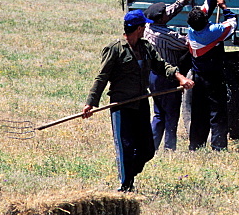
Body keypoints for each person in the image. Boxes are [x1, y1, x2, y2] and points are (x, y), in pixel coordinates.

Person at [82, 10, 194, 192]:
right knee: (126, 147)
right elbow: (102, 77)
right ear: (139, 28)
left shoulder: (146, 47)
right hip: (121, 106)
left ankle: (129, 174)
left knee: (147, 149)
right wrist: (91, 102)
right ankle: (125, 187)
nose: (146, 28)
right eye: (144, 26)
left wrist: (180, 77)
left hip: (141, 103)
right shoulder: (115, 49)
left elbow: (161, 65)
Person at [185, 0, 237, 151]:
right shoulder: (214, 31)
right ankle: (218, 147)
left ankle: (195, 145)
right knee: (217, 113)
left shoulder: (191, 29)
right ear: (205, 20)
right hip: (213, 77)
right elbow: (233, 23)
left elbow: (207, 5)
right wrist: (224, 7)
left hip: (197, 77)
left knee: (198, 113)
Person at [143, 0, 197, 151]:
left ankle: (151, 147)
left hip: (153, 76)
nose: (168, 13)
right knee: (171, 114)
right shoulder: (166, 36)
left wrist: (185, 0)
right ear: (160, 19)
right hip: (167, 77)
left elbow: (168, 13)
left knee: (159, 114)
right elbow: (187, 43)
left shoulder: (148, 27)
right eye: (165, 13)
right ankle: (169, 149)